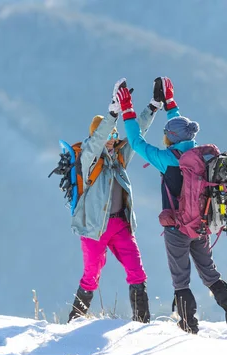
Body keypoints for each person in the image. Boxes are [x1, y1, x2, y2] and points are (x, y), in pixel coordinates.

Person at [115, 76, 227, 338]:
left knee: (181, 281)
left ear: (171, 138)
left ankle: (189, 329)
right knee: (210, 275)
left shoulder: (167, 159)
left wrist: (128, 111)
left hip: (178, 229)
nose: (165, 136)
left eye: (167, 134)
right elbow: (182, 127)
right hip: (201, 225)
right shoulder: (201, 156)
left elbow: (136, 143)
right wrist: (170, 103)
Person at [68, 79, 162, 324]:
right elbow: (96, 142)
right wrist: (112, 113)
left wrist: (152, 107)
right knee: (90, 278)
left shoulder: (119, 157)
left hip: (119, 225)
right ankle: (73, 323)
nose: (111, 138)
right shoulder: (87, 160)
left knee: (137, 273)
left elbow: (136, 133)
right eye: (106, 134)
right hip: (94, 229)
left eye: (113, 133)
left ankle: (142, 323)